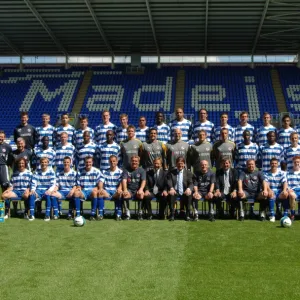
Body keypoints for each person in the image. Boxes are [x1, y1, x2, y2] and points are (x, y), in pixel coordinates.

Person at [73, 156, 102, 220]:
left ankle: (92, 214)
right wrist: (78, 187)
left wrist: (97, 187)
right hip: (83, 191)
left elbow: (100, 182)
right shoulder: (80, 171)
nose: (88, 164)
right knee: (76, 193)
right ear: (84, 162)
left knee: (95, 192)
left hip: (92, 191)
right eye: (86, 162)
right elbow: (78, 184)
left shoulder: (97, 171)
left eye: (89, 162)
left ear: (92, 162)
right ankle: (78, 215)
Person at [166, 156, 193, 221]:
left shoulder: (188, 173)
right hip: (175, 191)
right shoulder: (172, 172)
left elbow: (191, 183)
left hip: (184, 191)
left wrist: (189, 189)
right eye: (178, 163)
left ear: (184, 164)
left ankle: (187, 215)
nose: (180, 165)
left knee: (189, 195)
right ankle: (172, 214)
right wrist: (171, 188)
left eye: (181, 163)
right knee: (171, 194)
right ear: (176, 164)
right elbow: (169, 181)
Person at [98, 155, 123, 220]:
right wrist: (101, 189)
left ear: (117, 162)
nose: (112, 163)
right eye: (111, 161)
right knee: (100, 192)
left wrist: (119, 189)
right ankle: (101, 214)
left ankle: (118, 214)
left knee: (119, 192)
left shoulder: (120, 172)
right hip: (107, 191)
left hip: (115, 191)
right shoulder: (104, 172)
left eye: (114, 161)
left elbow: (121, 183)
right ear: (109, 162)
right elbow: (101, 182)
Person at [122, 155, 147, 221]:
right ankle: (128, 214)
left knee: (141, 194)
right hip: (129, 189)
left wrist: (141, 189)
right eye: (133, 161)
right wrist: (125, 190)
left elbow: (143, 181)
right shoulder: (126, 169)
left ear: (138, 162)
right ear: (130, 161)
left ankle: (139, 213)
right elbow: (124, 180)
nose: (134, 162)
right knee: (125, 195)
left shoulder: (142, 170)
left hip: (137, 190)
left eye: (136, 161)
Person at [263, 158, 288, 222]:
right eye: (272, 163)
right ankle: (272, 215)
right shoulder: (266, 173)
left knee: (285, 194)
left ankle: (285, 214)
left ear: (278, 164)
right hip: (271, 190)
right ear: (270, 164)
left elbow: (285, 182)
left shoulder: (282, 173)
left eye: (275, 163)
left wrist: (284, 190)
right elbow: (266, 183)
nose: (274, 165)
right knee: (271, 194)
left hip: (279, 190)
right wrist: (269, 190)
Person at [286, 156, 300, 221]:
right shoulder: (288, 173)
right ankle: (292, 214)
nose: (296, 163)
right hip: (293, 190)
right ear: (292, 163)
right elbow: (286, 183)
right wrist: (288, 189)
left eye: (298, 162)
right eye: (295, 162)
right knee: (291, 195)